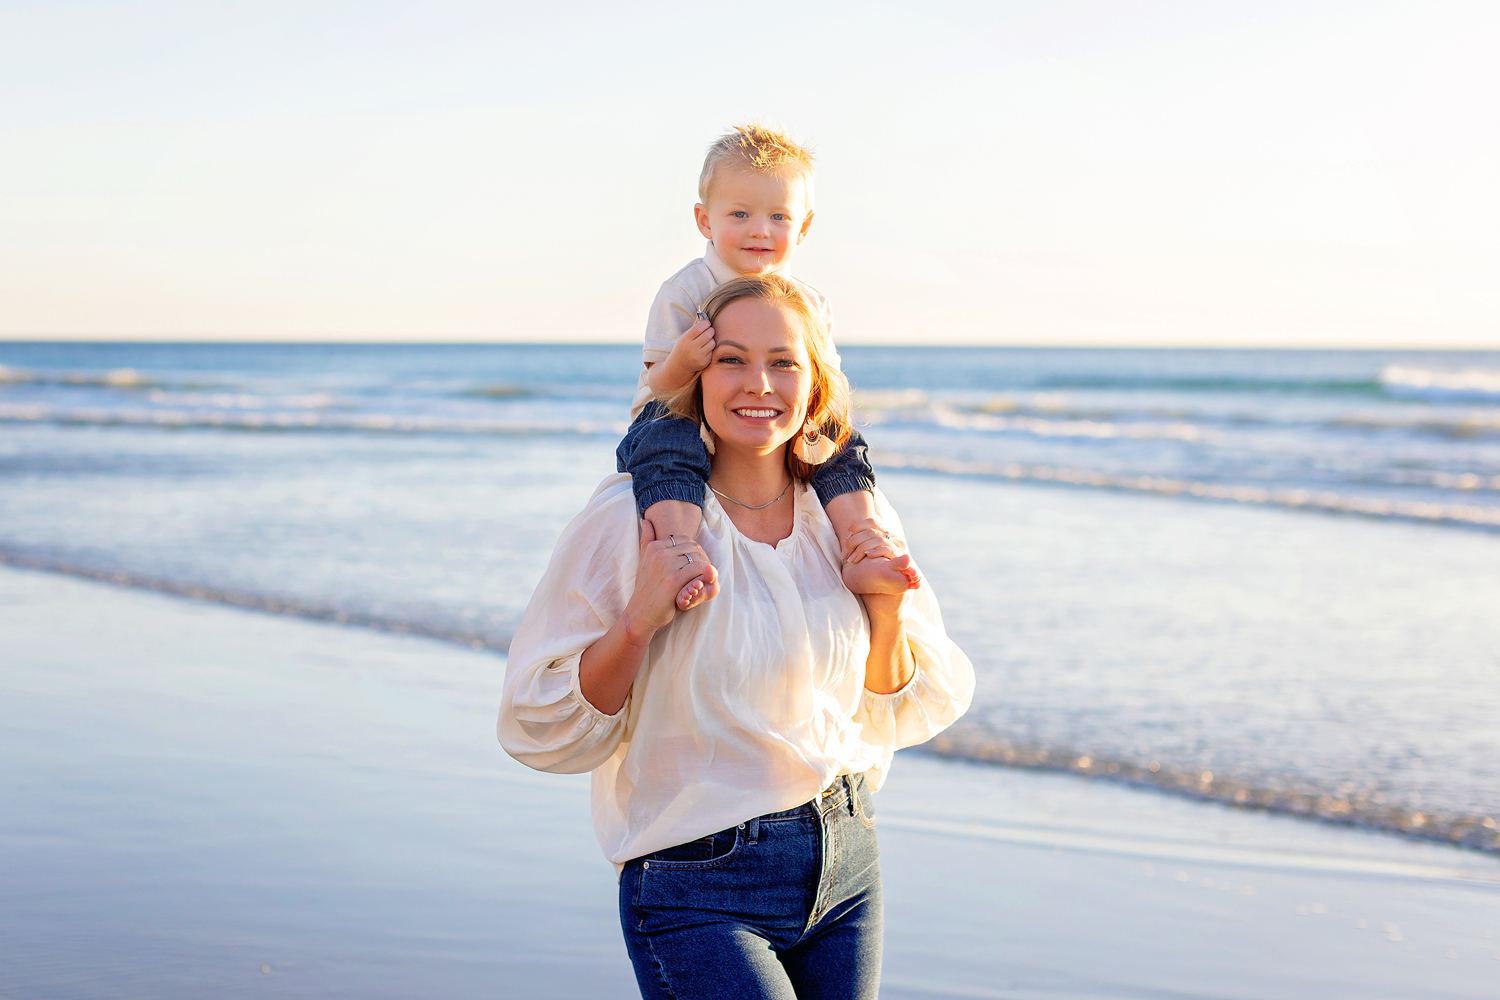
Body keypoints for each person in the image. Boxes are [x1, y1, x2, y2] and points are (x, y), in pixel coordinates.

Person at [499, 274, 974, 999]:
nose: (760, 383)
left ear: (815, 381)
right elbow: (540, 719)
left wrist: (883, 612)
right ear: (695, 374)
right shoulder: (635, 520)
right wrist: (639, 621)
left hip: (846, 864)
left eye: (784, 361)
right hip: (697, 882)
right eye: (731, 359)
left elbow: (890, 707)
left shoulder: (848, 516)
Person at [615, 124, 920, 617]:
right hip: (674, 415)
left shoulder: (808, 303)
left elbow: (825, 384)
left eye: (778, 216)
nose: (760, 230)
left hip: (765, 421)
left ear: (802, 227)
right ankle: (676, 551)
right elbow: (659, 383)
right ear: (704, 220)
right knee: (668, 453)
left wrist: (822, 422)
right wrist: (686, 360)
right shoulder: (687, 290)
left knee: (841, 447)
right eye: (740, 214)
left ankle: (863, 542)